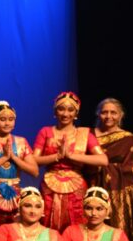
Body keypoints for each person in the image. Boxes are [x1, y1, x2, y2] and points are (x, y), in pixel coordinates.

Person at [33, 92, 108, 232]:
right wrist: (57, 156)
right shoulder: (46, 132)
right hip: (50, 186)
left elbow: (103, 160)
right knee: (47, 222)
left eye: (70, 110)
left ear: (76, 113)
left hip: (77, 186)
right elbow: (34, 160)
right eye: (61, 109)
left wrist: (71, 156)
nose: (65, 113)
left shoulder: (85, 133)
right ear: (55, 111)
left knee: (78, 223)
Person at [0, 101, 38, 237]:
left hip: (15, 192)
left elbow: (34, 171)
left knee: (14, 234)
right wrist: (4, 158)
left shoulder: (21, 141)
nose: (7, 123)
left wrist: (14, 158)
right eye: (2, 119)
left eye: (11, 119)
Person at [90, 98, 133, 241]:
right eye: (104, 112)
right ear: (98, 114)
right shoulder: (88, 135)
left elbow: (132, 168)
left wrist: (103, 166)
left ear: (121, 115)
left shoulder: (128, 138)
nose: (108, 116)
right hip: (92, 185)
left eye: (113, 112)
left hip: (120, 192)